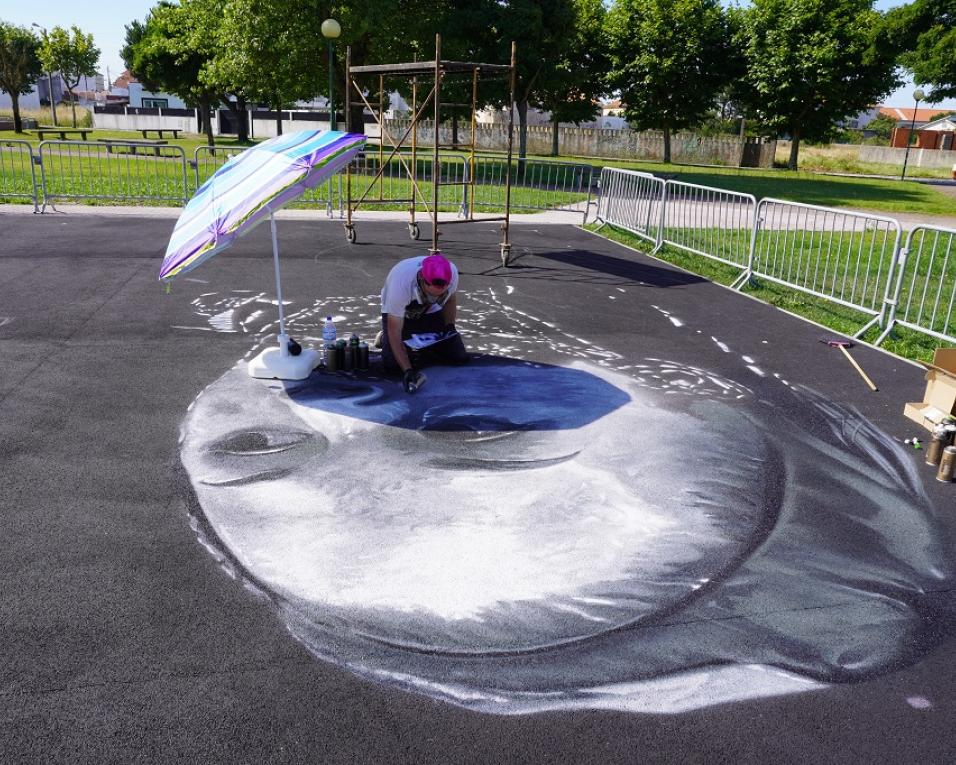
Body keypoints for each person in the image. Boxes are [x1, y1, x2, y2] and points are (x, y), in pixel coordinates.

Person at [378, 252, 468, 392]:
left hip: (430, 311)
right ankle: (384, 338)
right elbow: (394, 331)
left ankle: (415, 337)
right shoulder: (401, 283)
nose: (434, 297)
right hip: (399, 314)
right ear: (421, 279)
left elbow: (450, 300)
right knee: (393, 366)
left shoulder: (452, 273)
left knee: (457, 355)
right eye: (431, 294)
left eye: (439, 294)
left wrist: (449, 327)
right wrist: (407, 370)